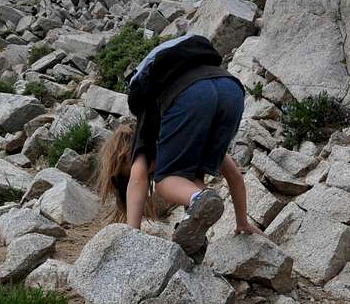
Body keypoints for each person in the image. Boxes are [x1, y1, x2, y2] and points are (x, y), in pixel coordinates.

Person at [97, 33, 259, 259]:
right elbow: (235, 177)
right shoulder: (185, 136)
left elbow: (137, 179)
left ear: (126, 154)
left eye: (147, 169)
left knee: (166, 182)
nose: (150, 171)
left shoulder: (143, 133)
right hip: (231, 89)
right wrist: (242, 221)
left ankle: (199, 198)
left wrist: (132, 236)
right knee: (190, 182)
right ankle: (196, 236)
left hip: (190, 95)